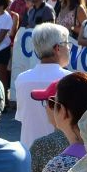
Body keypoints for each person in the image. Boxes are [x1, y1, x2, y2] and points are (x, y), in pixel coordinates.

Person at [13, 22, 73, 150]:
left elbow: (22, 117)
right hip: (61, 154)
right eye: (67, 44)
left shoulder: (22, 79)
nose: (69, 48)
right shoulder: (70, 79)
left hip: (28, 152)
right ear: (57, 48)